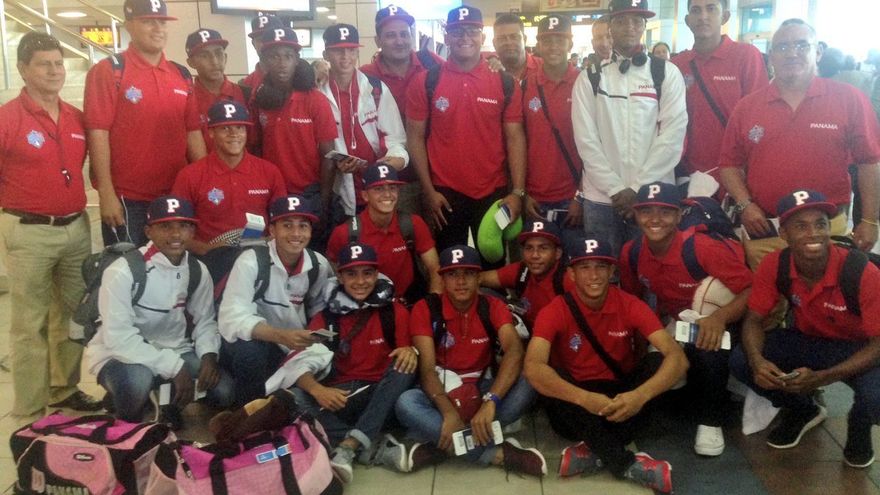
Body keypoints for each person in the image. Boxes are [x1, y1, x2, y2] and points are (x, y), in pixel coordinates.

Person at [523, 236, 688, 494]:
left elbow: (678, 358)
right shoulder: (554, 310)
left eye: (601, 267)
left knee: (657, 362)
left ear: (612, 271)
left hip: (620, 401)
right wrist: (585, 399)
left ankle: (595, 450)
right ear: (571, 274)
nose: (593, 275)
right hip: (576, 406)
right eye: (584, 267)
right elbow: (533, 367)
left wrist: (639, 396)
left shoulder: (631, 304)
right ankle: (624, 463)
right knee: (550, 376)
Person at [730, 189, 880, 469]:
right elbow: (753, 320)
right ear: (784, 234)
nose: (813, 234)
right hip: (810, 341)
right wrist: (758, 361)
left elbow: (878, 345)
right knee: (741, 360)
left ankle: (859, 429)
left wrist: (822, 378)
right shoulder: (776, 264)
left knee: (875, 398)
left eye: (820, 224)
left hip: (863, 349)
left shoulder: (862, 271)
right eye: (801, 226)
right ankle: (803, 410)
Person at [719, 19, 880, 269]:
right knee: (767, 293)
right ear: (771, 55)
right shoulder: (746, 107)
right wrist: (745, 205)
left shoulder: (850, 99)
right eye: (782, 47)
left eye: (802, 45)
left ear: (818, 52)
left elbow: (869, 162)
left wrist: (869, 220)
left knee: (829, 291)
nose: (792, 53)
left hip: (828, 229)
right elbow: (729, 165)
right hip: (765, 229)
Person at [0, 32, 101, 418]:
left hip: (75, 228)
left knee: (72, 314)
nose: (55, 71)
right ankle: (28, 406)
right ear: (23, 69)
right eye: (44, 64)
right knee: (30, 321)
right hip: (28, 231)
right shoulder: (7, 118)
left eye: (59, 63)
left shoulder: (75, 117)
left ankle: (64, 389)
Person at [619, 182, 753, 456]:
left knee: (707, 346)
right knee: (653, 370)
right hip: (677, 321)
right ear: (635, 214)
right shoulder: (632, 252)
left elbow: (752, 289)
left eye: (665, 212)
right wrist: (641, 344)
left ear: (679, 215)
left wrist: (720, 318)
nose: (655, 219)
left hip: (719, 316)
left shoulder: (702, 247)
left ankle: (710, 421)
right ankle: (685, 379)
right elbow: (633, 302)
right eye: (646, 211)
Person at [86, 196, 233, 429]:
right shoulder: (123, 270)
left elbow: (204, 321)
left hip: (176, 349)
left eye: (183, 226)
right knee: (137, 382)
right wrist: (174, 367)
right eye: (165, 227)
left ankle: (166, 401)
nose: (175, 234)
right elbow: (118, 338)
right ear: (148, 231)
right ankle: (129, 410)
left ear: (193, 231)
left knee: (225, 391)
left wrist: (208, 356)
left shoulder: (197, 270)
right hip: (119, 354)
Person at [395, 245, 544, 475]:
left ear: (479, 278)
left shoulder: (492, 305)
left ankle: (444, 443)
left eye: (468, 273)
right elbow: (427, 372)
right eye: (452, 274)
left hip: (482, 389)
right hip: (442, 392)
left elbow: (515, 351)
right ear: (442, 279)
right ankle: (496, 453)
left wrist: (491, 402)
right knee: (406, 403)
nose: (461, 281)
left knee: (532, 378)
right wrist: (449, 413)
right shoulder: (426, 308)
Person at [406, 5, 527, 265]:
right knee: (450, 267)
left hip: (493, 193)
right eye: (457, 32)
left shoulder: (505, 83)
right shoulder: (426, 81)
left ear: (482, 37)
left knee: (493, 263)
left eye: (472, 31)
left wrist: (517, 193)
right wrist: (428, 191)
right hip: (444, 195)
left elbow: (515, 138)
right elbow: (414, 137)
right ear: (447, 37)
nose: (465, 37)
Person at [84, 0, 206, 247]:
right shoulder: (109, 70)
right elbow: (98, 133)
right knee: (130, 267)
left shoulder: (181, 74)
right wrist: (106, 193)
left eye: (162, 22)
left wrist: (205, 183)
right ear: (129, 25)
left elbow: (192, 132)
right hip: (128, 200)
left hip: (175, 196)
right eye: (149, 22)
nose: (158, 28)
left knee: (173, 267)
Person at [571, 0, 688, 257]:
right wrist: (616, 189)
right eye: (622, 20)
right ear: (610, 26)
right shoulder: (590, 77)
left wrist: (637, 189)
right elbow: (586, 141)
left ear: (644, 26)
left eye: (637, 20)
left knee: (652, 273)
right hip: (601, 199)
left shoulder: (666, 73)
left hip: (653, 198)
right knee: (602, 272)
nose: (630, 26)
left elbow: (672, 137)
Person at [291, 242, 416, 482]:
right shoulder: (326, 318)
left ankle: (349, 445)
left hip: (382, 395)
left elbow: (404, 357)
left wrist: (410, 351)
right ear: (339, 277)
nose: (360, 281)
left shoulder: (394, 312)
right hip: (342, 397)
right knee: (294, 397)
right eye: (351, 274)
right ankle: (370, 444)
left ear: (377, 275)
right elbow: (299, 364)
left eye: (367, 273)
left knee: (405, 366)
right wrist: (318, 390)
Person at [218, 194, 334, 406]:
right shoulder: (251, 261)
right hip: (252, 343)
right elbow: (232, 318)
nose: (296, 233)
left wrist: (315, 334)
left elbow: (320, 308)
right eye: (287, 225)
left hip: (293, 342)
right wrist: (281, 336)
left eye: (303, 226)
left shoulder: (318, 264)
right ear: (272, 230)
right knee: (251, 352)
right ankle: (247, 412)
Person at [171, 101, 286, 264]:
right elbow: (176, 230)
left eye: (240, 128)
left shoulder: (269, 172)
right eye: (225, 128)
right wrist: (207, 250)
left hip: (259, 258)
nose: (234, 134)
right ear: (211, 132)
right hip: (209, 260)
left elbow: (282, 224)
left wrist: (267, 243)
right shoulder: (190, 175)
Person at [671, 0, 767, 188]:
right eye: (696, 10)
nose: (703, 16)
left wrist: (752, 160)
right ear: (688, 20)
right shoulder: (677, 65)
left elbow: (760, 116)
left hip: (737, 173)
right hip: (690, 176)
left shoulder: (746, 56)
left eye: (711, 8)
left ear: (725, 16)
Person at [360, 5, 444, 217]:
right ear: (378, 41)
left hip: (437, 176)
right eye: (391, 35)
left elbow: (462, 74)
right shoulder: (364, 78)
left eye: (404, 34)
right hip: (392, 180)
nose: (399, 41)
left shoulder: (432, 64)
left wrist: (492, 64)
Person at [249, 27, 338, 225]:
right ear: (264, 60)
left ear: (297, 59)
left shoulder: (315, 100)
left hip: (309, 192)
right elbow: (255, 147)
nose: (282, 63)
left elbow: (328, 155)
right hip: (271, 191)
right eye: (274, 56)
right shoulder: (258, 98)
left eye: (288, 56)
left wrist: (323, 202)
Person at [318, 24, 408, 218]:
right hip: (337, 191)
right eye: (338, 51)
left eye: (351, 50)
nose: (345, 57)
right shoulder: (317, 92)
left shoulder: (376, 88)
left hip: (377, 187)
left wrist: (394, 160)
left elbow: (395, 138)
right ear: (326, 55)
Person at [326, 164, 441, 303]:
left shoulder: (412, 223)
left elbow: (435, 268)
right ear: (365, 195)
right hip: (364, 305)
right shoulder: (345, 232)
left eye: (392, 188)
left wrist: (433, 305)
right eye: (378, 189)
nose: (387, 194)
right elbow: (333, 275)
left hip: (407, 302)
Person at [520, 15, 583, 231]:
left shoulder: (585, 83)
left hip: (574, 197)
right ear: (538, 45)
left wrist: (581, 195)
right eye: (547, 41)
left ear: (570, 44)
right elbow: (518, 143)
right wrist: (523, 193)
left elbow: (597, 145)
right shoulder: (525, 86)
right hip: (534, 200)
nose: (553, 46)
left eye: (560, 40)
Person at [480, 220, 573, 329]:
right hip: (527, 327)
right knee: (480, 293)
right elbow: (478, 279)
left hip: (558, 333)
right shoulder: (521, 270)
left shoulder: (567, 278)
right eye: (529, 248)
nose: (535, 255)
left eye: (543, 248)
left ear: (557, 253)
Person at [184, 28, 246, 153]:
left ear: (226, 57)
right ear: (191, 63)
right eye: (204, 56)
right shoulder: (185, 99)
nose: (214, 62)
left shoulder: (246, 94)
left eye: (219, 54)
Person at [491, 13, 541, 81]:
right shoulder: (488, 72)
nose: (508, 42)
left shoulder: (544, 68)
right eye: (501, 38)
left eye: (514, 37)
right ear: (494, 43)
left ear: (524, 39)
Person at [240, 13, 283, 90]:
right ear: (253, 44)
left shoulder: (299, 79)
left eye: (271, 39)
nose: (266, 45)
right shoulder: (246, 85)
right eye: (260, 40)